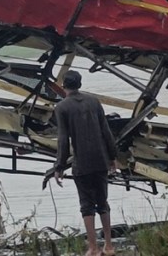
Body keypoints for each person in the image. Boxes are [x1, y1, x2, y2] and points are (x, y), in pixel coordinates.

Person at [52, 70, 117, 256]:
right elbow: (106, 132)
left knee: (86, 204)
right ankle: (109, 246)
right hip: (101, 160)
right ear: (79, 84)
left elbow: (63, 140)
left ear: (64, 86)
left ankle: (93, 248)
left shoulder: (62, 107)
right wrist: (112, 157)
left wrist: (59, 167)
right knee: (102, 201)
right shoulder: (94, 101)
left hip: (82, 163)